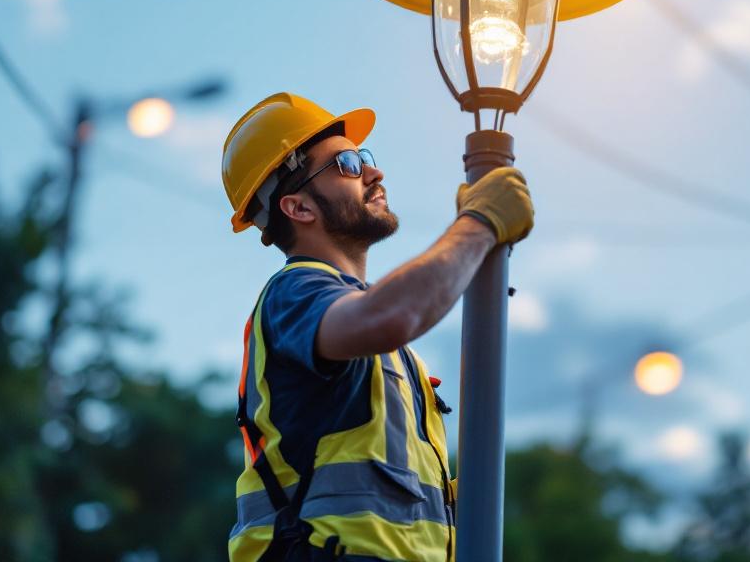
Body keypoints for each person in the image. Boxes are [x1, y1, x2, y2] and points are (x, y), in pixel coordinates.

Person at [221, 92, 533, 562]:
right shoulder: (295, 293)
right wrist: (479, 224)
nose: (374, 172)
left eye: (365, 157)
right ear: (298, 208)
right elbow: (392, 316)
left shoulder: (384, 345)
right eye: (347, 163)